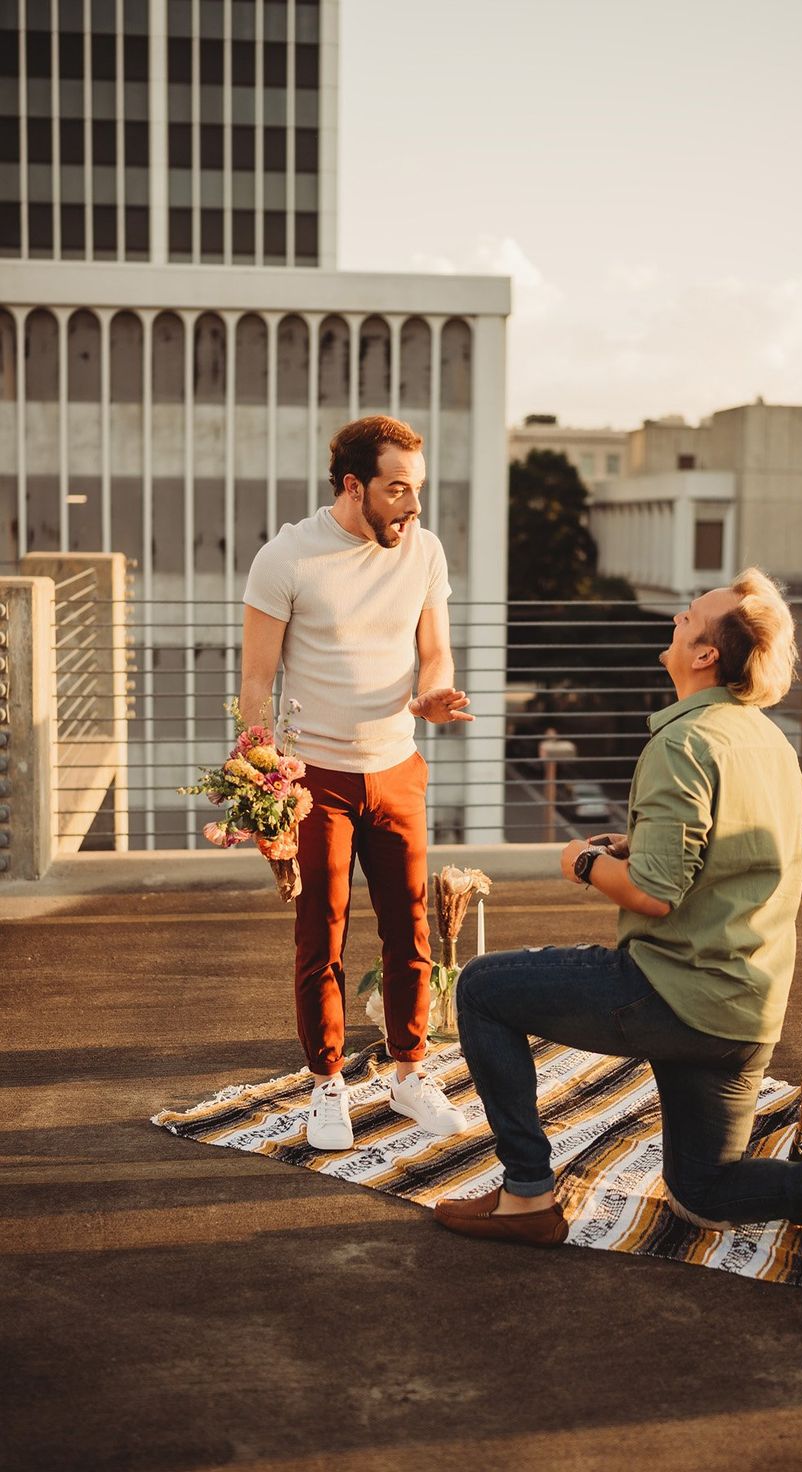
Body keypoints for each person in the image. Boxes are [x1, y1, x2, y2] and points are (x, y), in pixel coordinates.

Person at [434, 568, 802, 1313]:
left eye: (690, 615)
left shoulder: (683, 741)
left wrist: (583, 863)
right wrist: (637, 846)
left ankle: (527, 1195)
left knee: (480, 988)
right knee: (704, 1189)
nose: (676, 617)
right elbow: (722, 859)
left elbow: (657, 896)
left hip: (670, 993)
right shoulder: (767, 741)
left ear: (705, 655)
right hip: (744, 1012)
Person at [240, 415, 474, 1151]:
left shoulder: (424, 551)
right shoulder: (287, 559)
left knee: (411, 927)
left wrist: (432, 695)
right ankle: (327, 1084)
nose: (413, 505)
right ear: (353, 486)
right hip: (316, 780)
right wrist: (267, 791)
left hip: (397, 767)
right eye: (397, 489)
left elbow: (435, 653)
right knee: (323, 934)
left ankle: (409, 1073)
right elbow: (255, 683)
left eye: (418, 488)